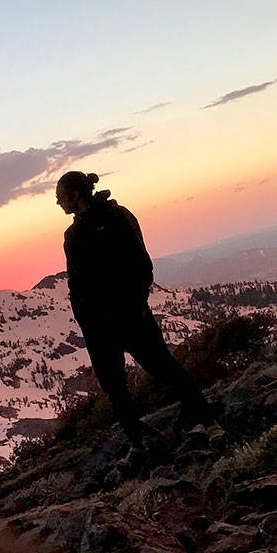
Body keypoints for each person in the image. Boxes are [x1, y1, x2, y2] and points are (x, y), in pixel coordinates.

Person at [56, 170, 216, 462]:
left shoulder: (117, 217)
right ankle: (138, 444)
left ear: (76, 195)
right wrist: (86, 321)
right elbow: (76, 284)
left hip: (130, 315)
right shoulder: (73, 235)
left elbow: (142, 264)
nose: (58, 203)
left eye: (61, 197)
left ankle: (208, 422)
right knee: (114, 387)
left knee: (163, 368)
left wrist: (135, 303)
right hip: (98, 326)